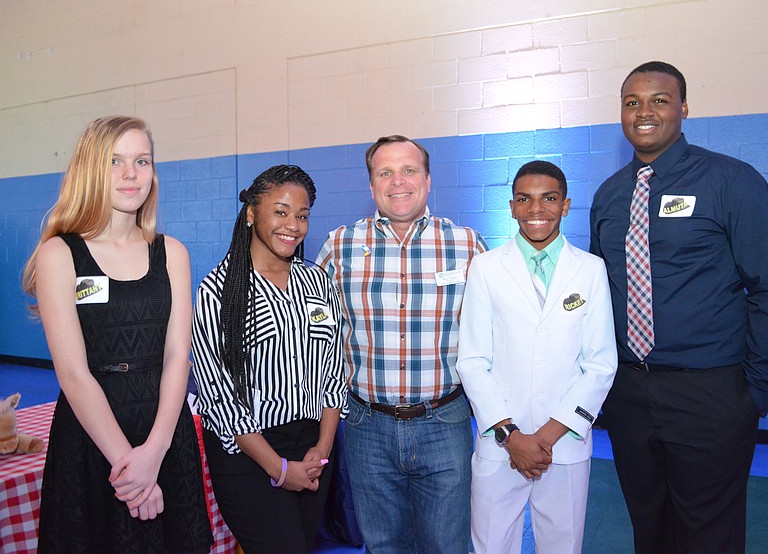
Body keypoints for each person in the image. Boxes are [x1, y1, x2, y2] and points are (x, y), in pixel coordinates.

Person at [589, 61, 768, 554]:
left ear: (683, 108)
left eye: (659, 100)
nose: (644, 112)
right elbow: (599, 296)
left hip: (712, 394)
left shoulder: (731, 180)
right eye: (632, 102)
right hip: (630, 393)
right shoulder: (609, 196)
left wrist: (755, 392)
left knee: (709, 536)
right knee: (649, 528)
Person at [22, 115, 212, 553]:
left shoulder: (172, 253)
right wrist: (130, 468)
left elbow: (176, 357)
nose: (131, 173)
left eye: (141, 160)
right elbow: (72, 374)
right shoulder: (60, 254)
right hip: (94, 438)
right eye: (115, 161)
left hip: (164, 433)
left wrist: (155, 453)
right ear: (91, 169)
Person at [316, 135, 487, 553]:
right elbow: (312, 330)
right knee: (382, 545)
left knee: (447, 544)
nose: (398, 181)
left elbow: (495, 335)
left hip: (444, 423)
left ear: (428, 180)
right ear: (372, 185)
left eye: (409, 170)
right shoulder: (339, 246)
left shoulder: (468, 246)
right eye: (385, 172)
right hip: (365, 427)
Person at [456, 160, 616, 554]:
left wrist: (544, 438)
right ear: (511, 207)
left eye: (549, 199)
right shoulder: (487, 268)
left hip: (563, 443)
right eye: (524, 200)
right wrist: (512, 436)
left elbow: (600, 364)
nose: (536, 209)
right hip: (501, 442)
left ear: (565, 205)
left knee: (562, 546)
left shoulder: (591, 270)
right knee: (492, 545)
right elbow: (472, 360)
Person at [191, 164, 346, 554]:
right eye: (280, 211)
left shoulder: (318, 282)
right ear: (250, 214)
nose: (292, 224)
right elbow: (220, 397)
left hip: (313, 446)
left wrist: (323, 447)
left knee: (301, 544)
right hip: (250, 452)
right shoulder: (218, 292)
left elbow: (333, 369)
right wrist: (279, 469)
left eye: (302, 215)